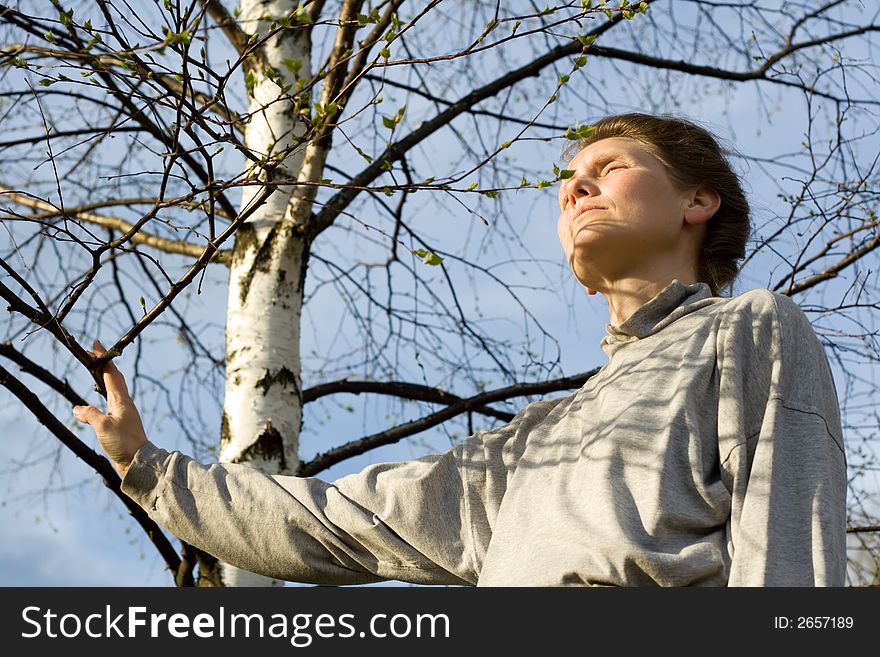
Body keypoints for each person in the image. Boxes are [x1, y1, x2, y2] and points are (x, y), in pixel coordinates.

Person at [73, 113, 848, 586]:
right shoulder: (538, 440)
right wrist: (150, 468)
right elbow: (342, 520)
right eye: (567, 182)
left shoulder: (748, 329)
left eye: (608, 168)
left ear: (697, 201)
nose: (576, 188)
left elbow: (789, 545)